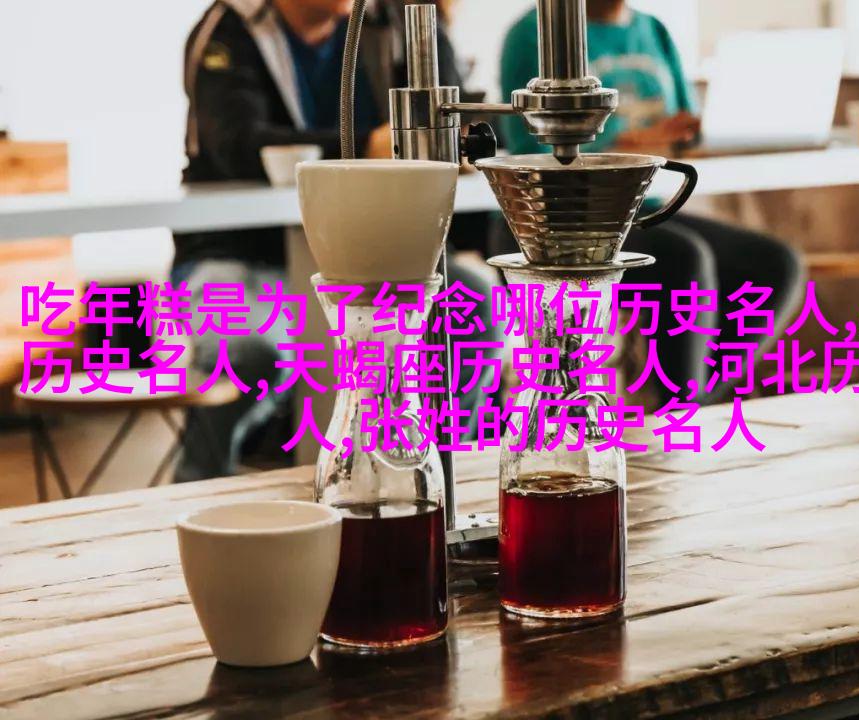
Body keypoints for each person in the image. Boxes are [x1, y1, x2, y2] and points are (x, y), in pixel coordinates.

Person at [177, 0, 494, 481]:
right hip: (241, 254)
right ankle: (197, 488)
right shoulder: (230, 28)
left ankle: (438, 478)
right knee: (246, 350)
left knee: (475, 307)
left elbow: (455, 121)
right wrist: (367, 146)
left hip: (380, 249)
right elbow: (236, 142)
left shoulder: (396, 21)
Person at [498, 0, 804, 405]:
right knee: (685, 258)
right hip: (562, 216)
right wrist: (635, 143)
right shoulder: (532, 33)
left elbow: (684, 124)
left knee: (774, 263)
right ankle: (687, 406)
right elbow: (529, 151)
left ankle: (697, 402)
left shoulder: (654, 30)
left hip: (645, 208)